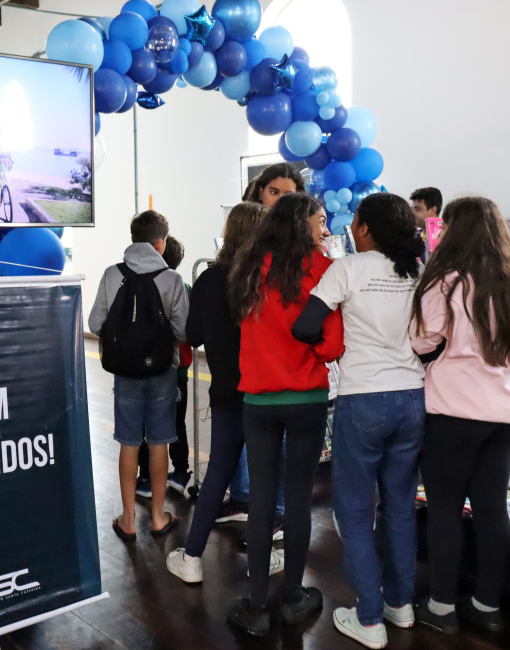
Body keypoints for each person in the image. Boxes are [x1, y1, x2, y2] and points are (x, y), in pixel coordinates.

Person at [293, 193, 427, 649]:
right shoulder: (417, 272)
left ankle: (369, 619)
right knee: (400, 506)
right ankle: (401, 605)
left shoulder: (347, 268)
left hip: (364, 399)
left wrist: (338, 349)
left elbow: (306, 326)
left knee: (353, 510)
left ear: (365, 229)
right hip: (413, 398)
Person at [409, 197, 510, 635]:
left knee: (444, 509)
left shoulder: (445, 280)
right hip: (506, 410)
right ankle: (487, 605)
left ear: (453, 232)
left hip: (456, 411)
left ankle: (441, 607)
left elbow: (422, 341)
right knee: (491, 509)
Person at [225, 192, 343, 637]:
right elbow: (332, 346)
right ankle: (293, 597)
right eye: (319, 218)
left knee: (260, 502)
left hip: (257, 402)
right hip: (307, 398)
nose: (324, 225)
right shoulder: (324, 269)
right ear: (302, 223)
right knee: (298, 499)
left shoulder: (250, 267)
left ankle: (255, 605)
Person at [166, 201, 287, 584]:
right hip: (268, 391)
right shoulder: (272, 278)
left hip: (226, 391)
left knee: (218, 472)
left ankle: (193, 557)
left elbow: (194, 334)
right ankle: (262, 560)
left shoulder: (209, 279)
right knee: (268, 476)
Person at [88, 211, 189, 541]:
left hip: (125, 374)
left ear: (133, 239)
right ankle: (159, 517)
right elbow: (183, 330)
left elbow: (94, 324)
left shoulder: (111, 275)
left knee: (129, 443)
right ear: (161, 243)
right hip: (162, 372)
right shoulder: (171, 278)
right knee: (159, 442)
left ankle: (129, 519)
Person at [223, 162, 306, 534]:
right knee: (257, 444)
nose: (280, 202)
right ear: (260, 193)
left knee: (285, 447)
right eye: (274, 192)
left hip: (295, 371)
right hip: (257, 370)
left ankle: (279, 515)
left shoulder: (306, 249)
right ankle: (257, 507)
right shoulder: (248, 253)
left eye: (289, 195)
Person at [136, 236, 192, 498]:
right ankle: (180, 473)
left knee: (148, 425)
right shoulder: (185, 286)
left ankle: (146, 479)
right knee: (177, 423)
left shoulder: (143, 284)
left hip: (149, 368)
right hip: (179, 370)